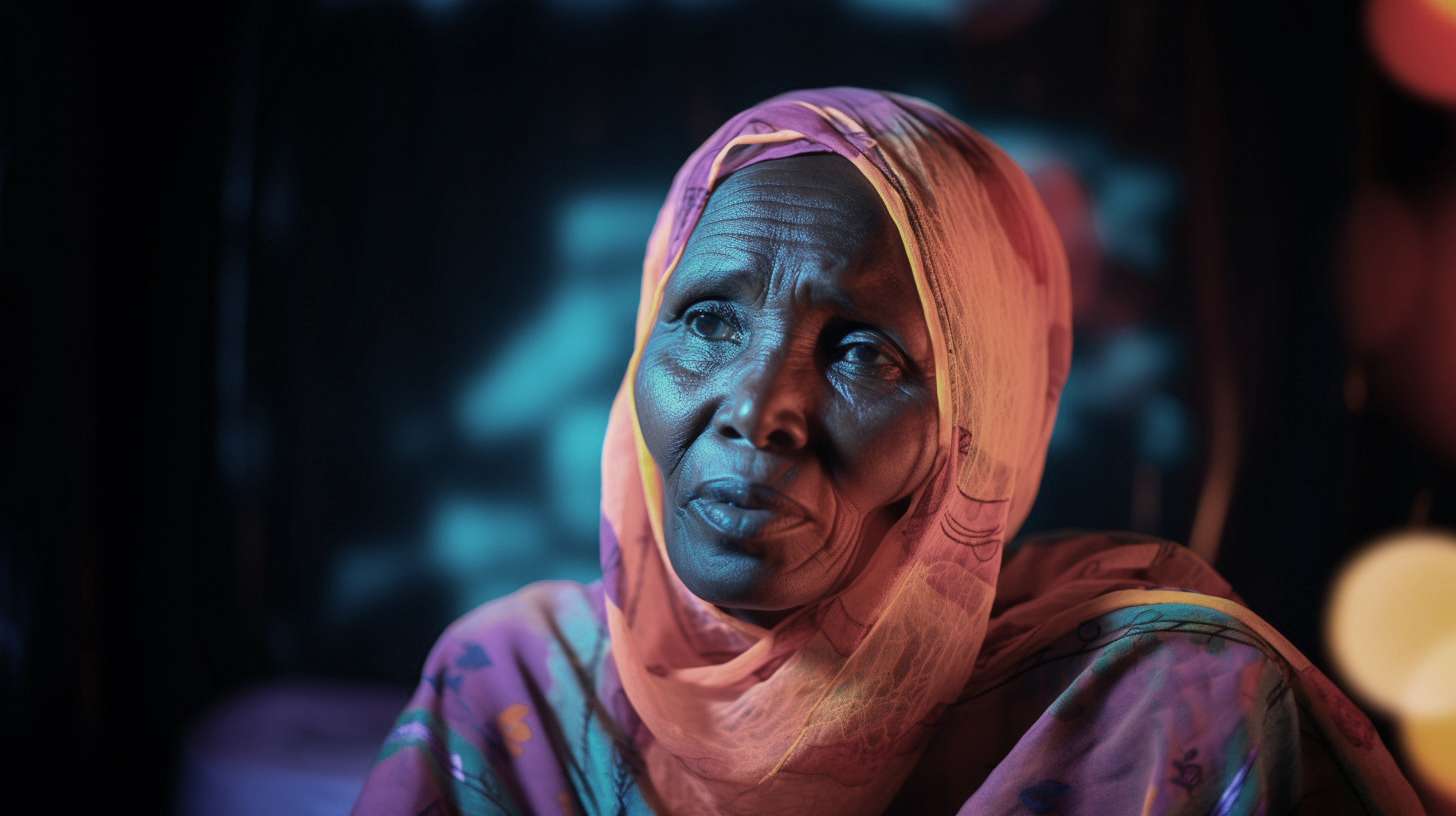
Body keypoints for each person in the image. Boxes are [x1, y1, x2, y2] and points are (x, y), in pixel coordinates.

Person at [350, 88, 1419, 815]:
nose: (762, 409)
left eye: (864, 353)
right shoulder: (513, 694)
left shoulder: (1163, 709)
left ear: (980, 425)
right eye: (710, 320)